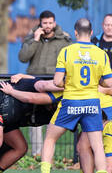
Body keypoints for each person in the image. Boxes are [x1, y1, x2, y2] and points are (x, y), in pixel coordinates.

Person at [36, 18, 112, 173]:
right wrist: (96, 81)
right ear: (92, 33)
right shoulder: (101, 53)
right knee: (98, 146)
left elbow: (56, 81)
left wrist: (70, 83)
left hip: (71, 101)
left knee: (50, 138)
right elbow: (109, 82)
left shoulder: (66, 51)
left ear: (76, 33)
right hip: (92, 103)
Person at [18, 10, 72, 157]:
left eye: (50, 22)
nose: (48, 26)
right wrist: (35, 40)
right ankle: (37, 154)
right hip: (33, 83)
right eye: (45, 23)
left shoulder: (64, 40)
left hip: (54, 84)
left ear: (54, 23)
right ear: (40, 23)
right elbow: (22, 57)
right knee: (33, 119)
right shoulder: (32, 37)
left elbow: (69, 62)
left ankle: (49, 154)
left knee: (53, 119)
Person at [91, 14, 112, 80]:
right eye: (107, 25)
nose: (109, 27)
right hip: (99, 81)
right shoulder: (94, 42)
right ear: (102, 25)